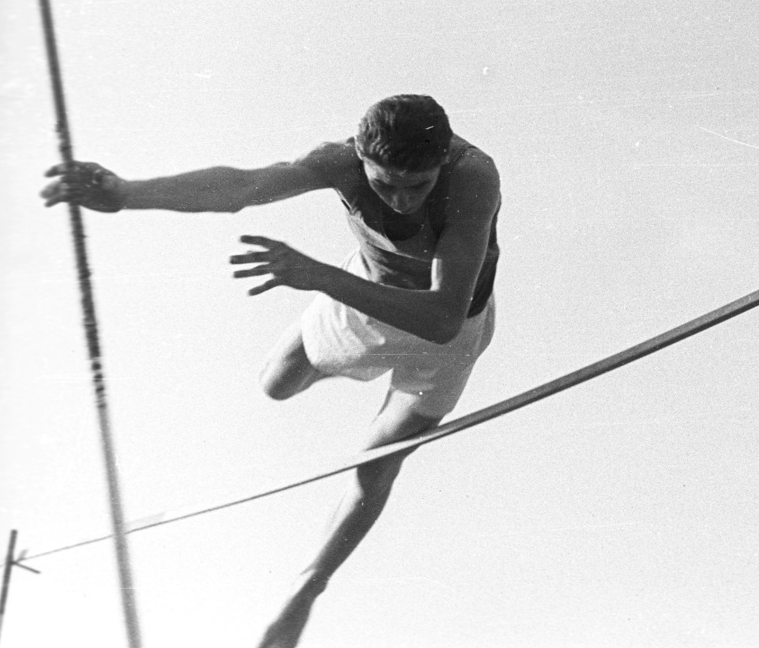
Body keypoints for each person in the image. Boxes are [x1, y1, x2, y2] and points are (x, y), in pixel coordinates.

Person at [41, 94, 502, 648]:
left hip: (448, 325)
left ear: (439, 164)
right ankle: (347, 361)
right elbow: (242, 187)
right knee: (275, 383)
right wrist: (123, 194)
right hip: (369, 294)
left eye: (418, 186)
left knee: (376, 463)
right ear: (360, 158)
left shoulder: (472, 176)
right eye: (385, 185)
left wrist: (318, 276)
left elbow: (443, 319)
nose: (402, 202)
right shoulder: (338, 162)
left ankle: (308, 585)